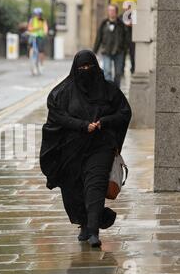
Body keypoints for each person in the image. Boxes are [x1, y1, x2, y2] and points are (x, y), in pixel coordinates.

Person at [40, 50, 131, 247]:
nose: (86, 72)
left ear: (97, 68)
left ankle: (94, 231)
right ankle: (84, 223)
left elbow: (124, 112)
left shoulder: (109, 91)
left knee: (95, 186)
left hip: (101, 146)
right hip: (71, 150)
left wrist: (104, 122)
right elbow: (56, 116)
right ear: (75, 70)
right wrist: (81, 125)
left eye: (90, 67)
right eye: (82, 69)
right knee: (74, 190)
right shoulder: (62, 93)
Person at [93, 4, 127, 88]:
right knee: (107, 71)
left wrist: (124, 49)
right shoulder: (104, 23)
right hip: (106, 51)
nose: (111, 12)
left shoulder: (121, 24)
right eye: (109, 10)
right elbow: (98, 38)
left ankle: (116, 91)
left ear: (116, 12)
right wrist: (94, 51)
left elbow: (125, 37)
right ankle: (108, 90)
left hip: (119, 51)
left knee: (118, 73)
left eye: (113, 11)